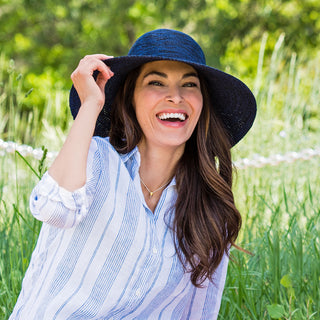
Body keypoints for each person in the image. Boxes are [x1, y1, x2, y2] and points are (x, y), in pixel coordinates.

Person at [10, 29, 256, 319]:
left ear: (202, 104)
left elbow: (199, 313)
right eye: (156, 82)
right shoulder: (95, 159)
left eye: (189, 85)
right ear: (131, 98)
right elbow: (55, 208)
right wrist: (90, 104)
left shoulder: (210, 209)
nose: (175, 97)